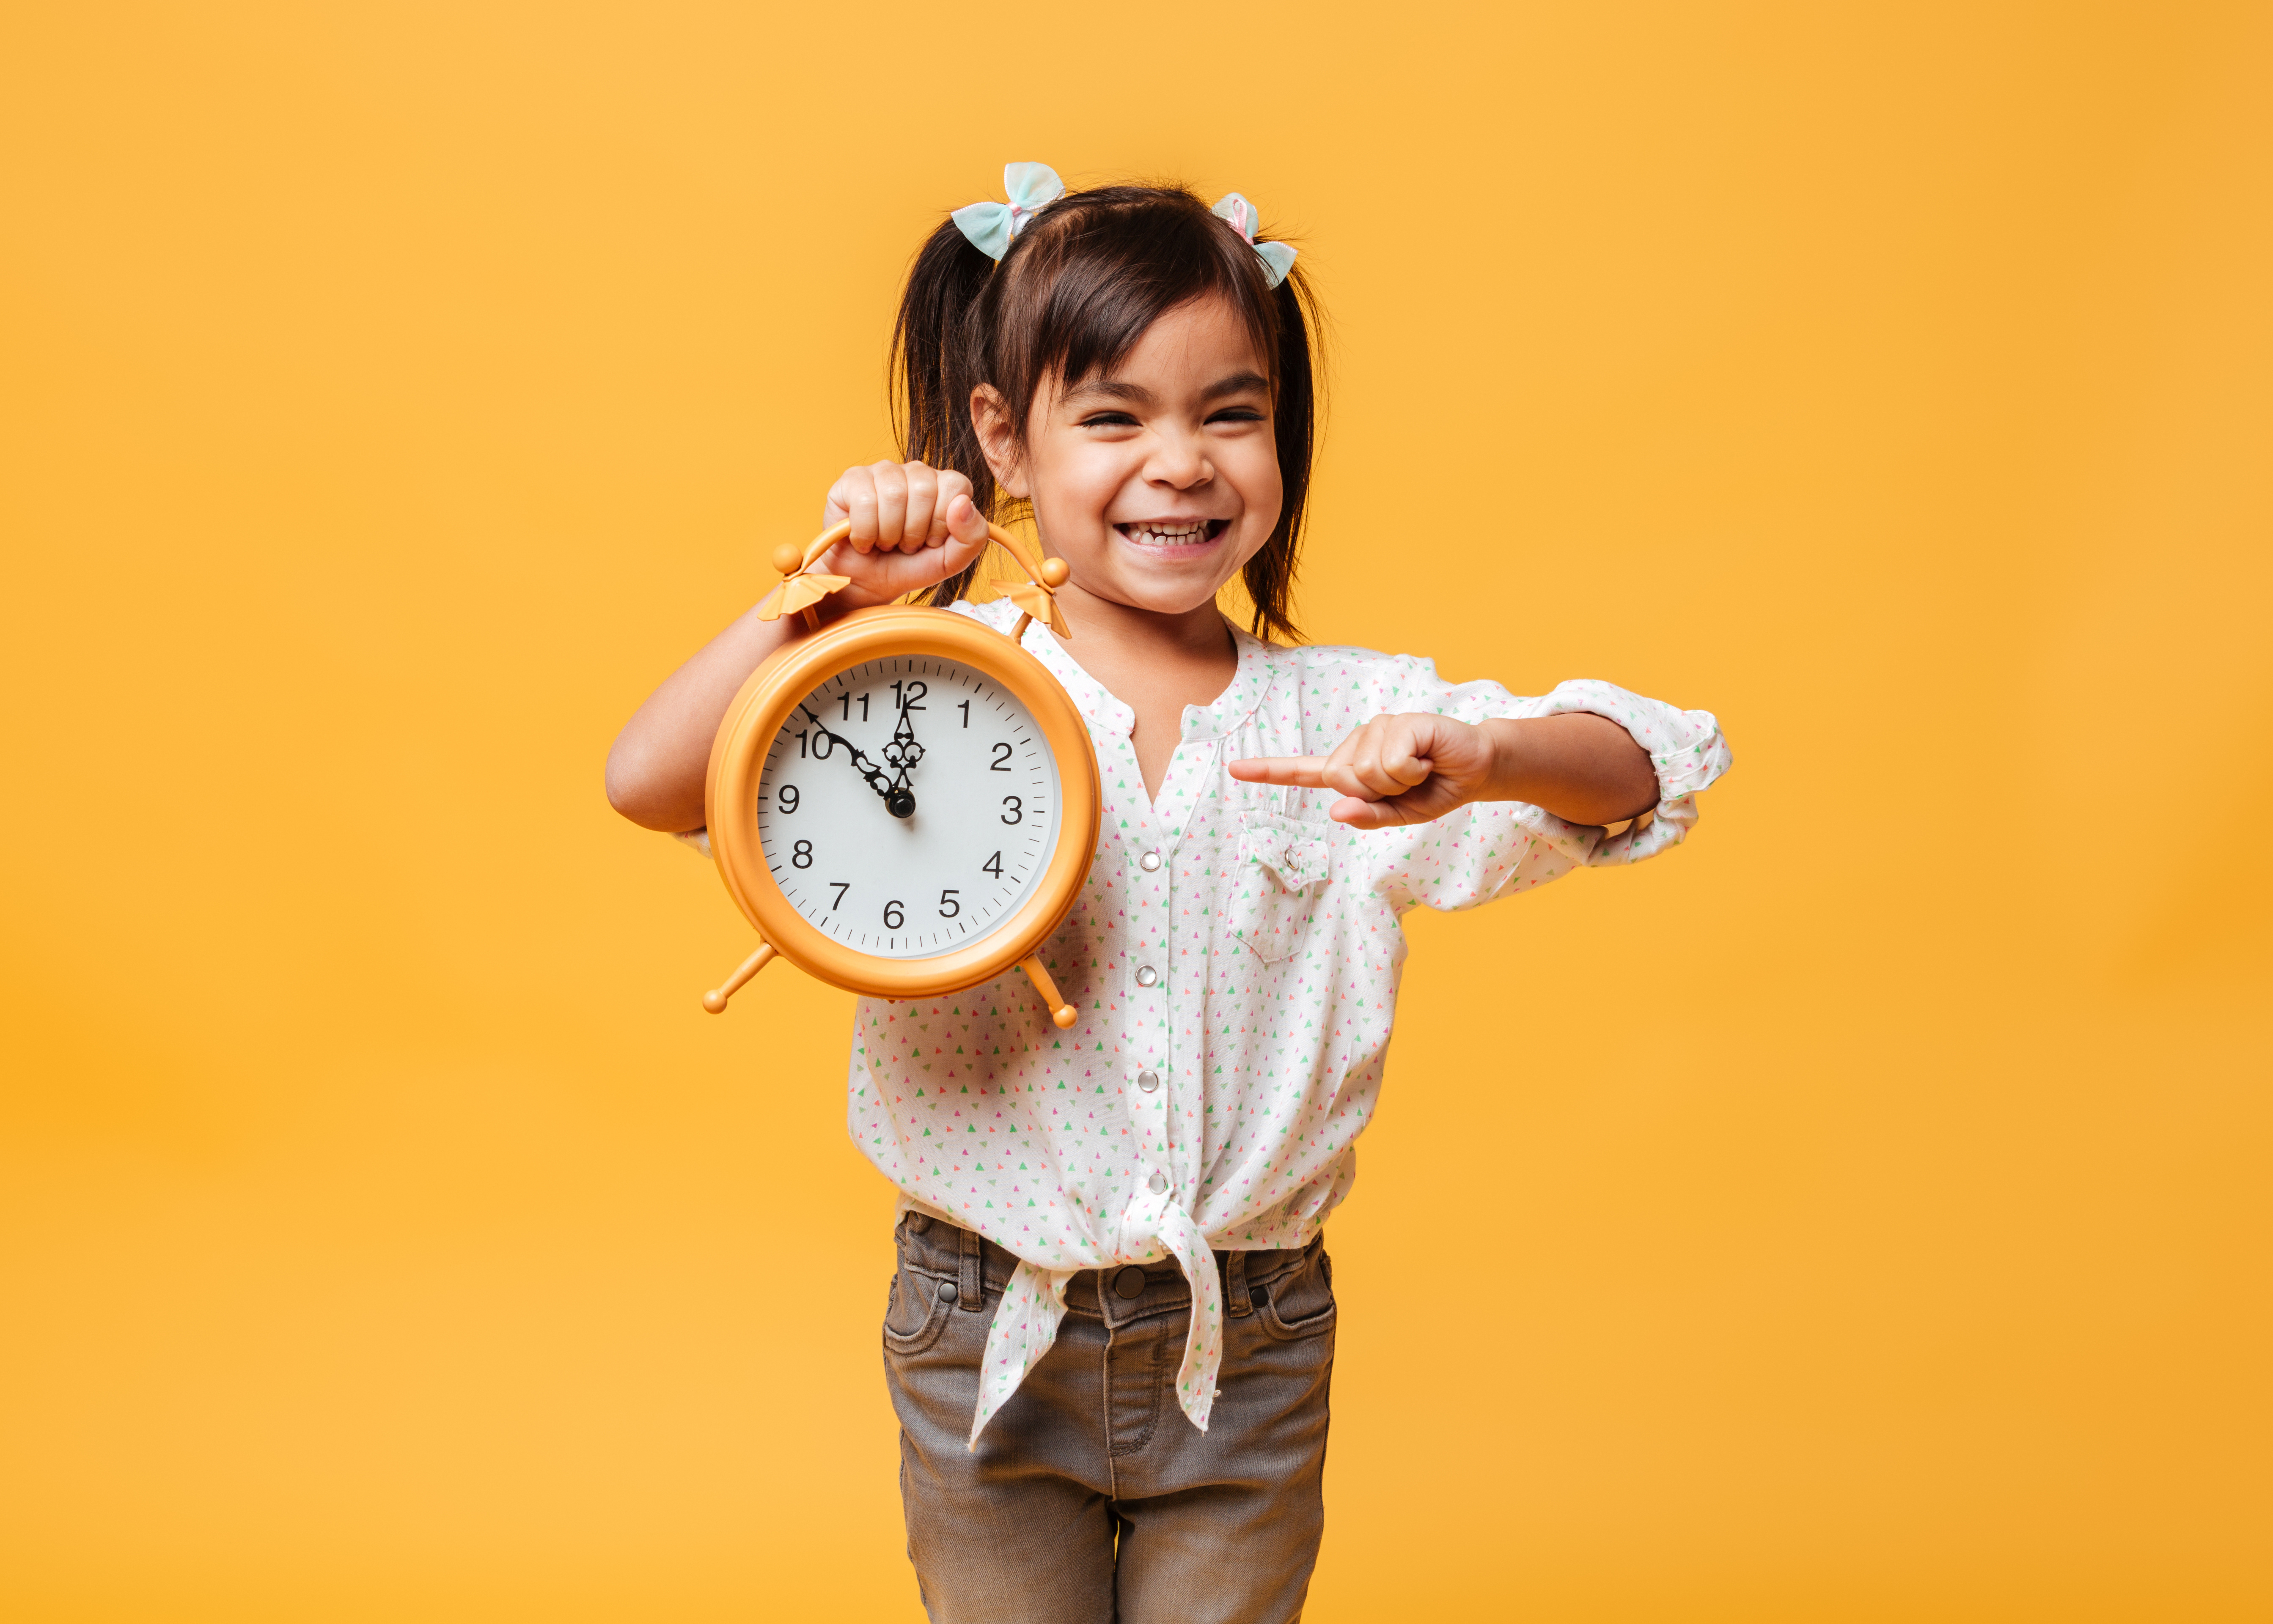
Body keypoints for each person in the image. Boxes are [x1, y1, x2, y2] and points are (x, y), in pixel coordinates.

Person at [605, 162, 1731, 1624]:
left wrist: (1491, 755)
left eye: (1230, 413)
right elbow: (653, 780)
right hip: (980, 1322)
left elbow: (1650, 769)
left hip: (1248, 1340)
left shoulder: (1352, 718)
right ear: (1005, 437)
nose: (1183, 461)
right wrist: (834, 606)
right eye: (1117, 414)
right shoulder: (924, 677)